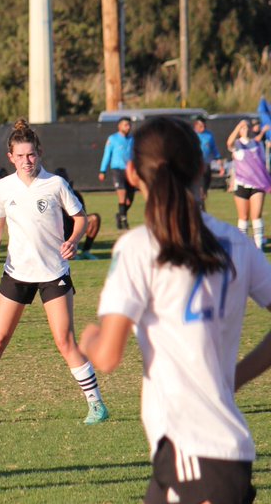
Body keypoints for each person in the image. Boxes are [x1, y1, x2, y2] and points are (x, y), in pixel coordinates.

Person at [80, 117, 271, 504]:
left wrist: (87, 338)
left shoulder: (138, 247)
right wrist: (234, 378)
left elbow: (108, 356)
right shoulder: (236, 242)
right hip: (218, 452)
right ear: (201, 168)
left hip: (194, 450)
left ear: (132, 173)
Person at [0, 119, 108, 429]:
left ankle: (97, 405)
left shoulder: (55, 184)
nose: (27, 161)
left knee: (65, 342)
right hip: (16, 273)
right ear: (11, 157)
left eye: (31, 155)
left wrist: (73, 241)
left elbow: (80, 218)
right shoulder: (3, 187)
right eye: (20, 156)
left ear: (40, 152)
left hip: (53, 273)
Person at [227, 118, 271, 248]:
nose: (244, 130)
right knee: (243, 217)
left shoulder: (256, 144)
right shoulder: (237, 145)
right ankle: (243, 245)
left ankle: (258, 247)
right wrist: (239, 125)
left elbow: (263, 162)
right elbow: (228, 142)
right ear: (239, 131)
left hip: (257, 185)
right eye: (242, 128)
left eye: (246, 127)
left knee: (256, 215)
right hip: (241, 185)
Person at [54, 167, 102, 260]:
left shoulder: (75, 195)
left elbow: (82, 217)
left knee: (94, 219)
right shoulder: (50, 195)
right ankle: (62, 252)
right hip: (57, 231)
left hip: (72, 229)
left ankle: (85, 251)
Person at [99, 117, 135, 229]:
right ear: (119, 126)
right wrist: (102, 170)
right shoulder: (113, 139)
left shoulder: (132, 139)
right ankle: (124, 220)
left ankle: (119, 215)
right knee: (122, 195)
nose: (128, 127)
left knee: (129, 200)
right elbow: (107, 155)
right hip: (117, 170)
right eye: (125, 125)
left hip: (130, 171)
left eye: (129, 125)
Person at [194, 116, 222, 209]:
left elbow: (214, 148)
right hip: (196, 166)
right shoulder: (191, 135)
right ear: (196, 125)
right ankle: (202, 210)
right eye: (201, 126)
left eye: (204, 126)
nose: (203, 128)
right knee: (200, 189)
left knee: (204, 191)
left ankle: (201, 206)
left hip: (206, 165)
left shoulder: (209, 135)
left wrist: (218, 160)